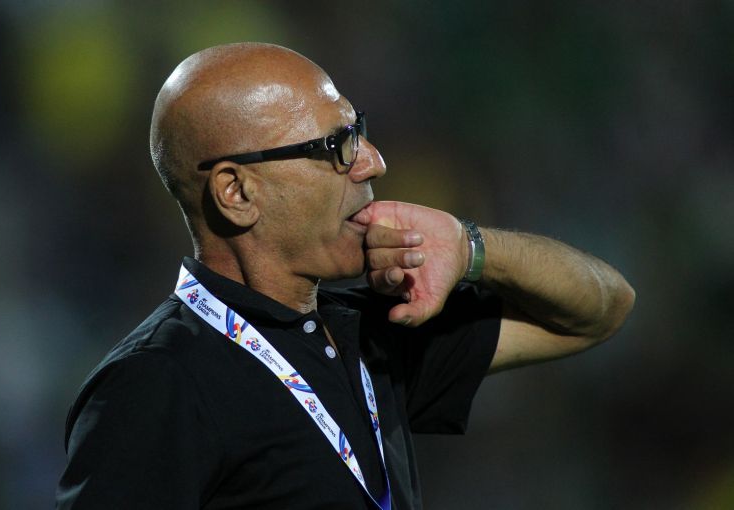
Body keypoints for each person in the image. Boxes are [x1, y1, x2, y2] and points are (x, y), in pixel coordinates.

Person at [55, 42, 635, 510]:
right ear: (237, 192)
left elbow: (599, 311)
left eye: (358, 132)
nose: (373, 161)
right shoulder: (155, 383)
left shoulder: (377, 329)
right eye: (337, 145)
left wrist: (471, 248)